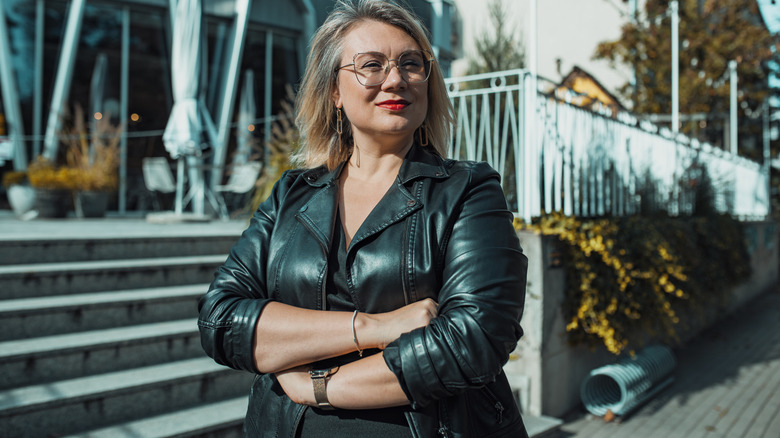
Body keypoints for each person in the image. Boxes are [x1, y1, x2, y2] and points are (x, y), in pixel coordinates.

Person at [197, 0, 529, 436]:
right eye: (371, 65)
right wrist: (374, 327)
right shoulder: (291, 196)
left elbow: (474, 340)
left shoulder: (467, 190)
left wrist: (319, 387)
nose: (395, 79)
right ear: (334, 91)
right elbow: (221, 319)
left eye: (411, 64)